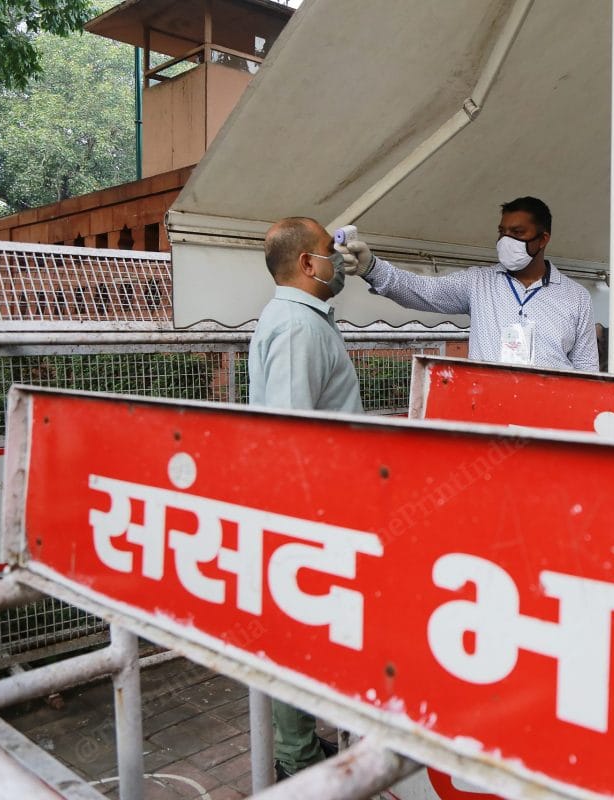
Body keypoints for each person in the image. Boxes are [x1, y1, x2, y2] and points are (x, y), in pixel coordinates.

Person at [248, 216, 355, 778]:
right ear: (309, 265)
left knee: (304, 630)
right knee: (298, 632)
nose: (338, 260)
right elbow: (294, 433)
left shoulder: (295, 319)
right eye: (330, 251)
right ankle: (297, 758)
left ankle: (302, 750)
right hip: (309, 510)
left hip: (312, 507)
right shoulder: (298, 327)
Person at [335, 196, 599, 371]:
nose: (506, 240)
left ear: (543, 239)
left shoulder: (575, 297)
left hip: (548, 416)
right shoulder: (478, 282)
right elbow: (421, 290)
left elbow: (587, 368)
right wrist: (371, 268)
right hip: (487, 412)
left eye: (518, 233)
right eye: (502, 232)